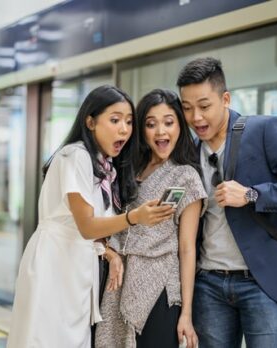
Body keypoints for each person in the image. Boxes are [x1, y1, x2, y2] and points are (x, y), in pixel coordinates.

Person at [6, 85, 174, 348]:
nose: (124, 129)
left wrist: (108, 252)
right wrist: (135, 217)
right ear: (90, 121)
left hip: (78, 267)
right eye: (115, 120)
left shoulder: (104, 167)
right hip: (54, 264)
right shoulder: (76, 156)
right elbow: (86, 226)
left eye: (129, 122)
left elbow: (84, 229)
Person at [176, 57, 277, 347]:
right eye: (187, 107)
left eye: (204, 106)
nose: (195, 118)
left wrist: (252, 194)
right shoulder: (188, 152)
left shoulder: (263, 130)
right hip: (208, 285)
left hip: (261, 283)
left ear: (225, 99)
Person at [95, 89, 207, 348]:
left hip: (159, 285)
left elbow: (187, 248)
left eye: (169, 122)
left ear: (180, 125)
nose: (160, 132)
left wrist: (187, 314)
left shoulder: (185, 176)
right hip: (118, 278)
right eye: (151, 124)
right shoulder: (128, 167)